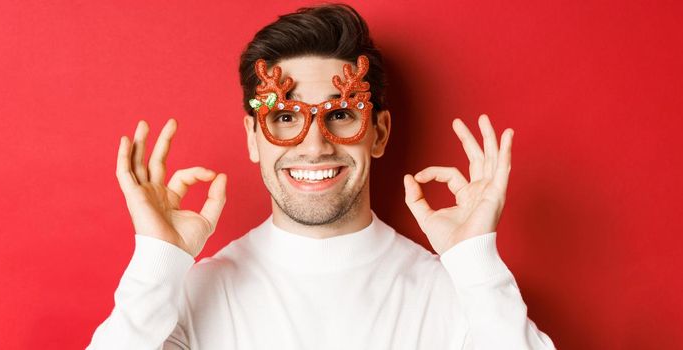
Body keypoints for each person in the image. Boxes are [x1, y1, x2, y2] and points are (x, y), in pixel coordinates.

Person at [87, 4, 555, 350]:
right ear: (253, 137)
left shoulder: (460, 295)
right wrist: (155, 263)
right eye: (286, 118)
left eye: (342, 115)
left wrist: (477, 262)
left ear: (378, 132)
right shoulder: (186, 298)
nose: (314, 145)